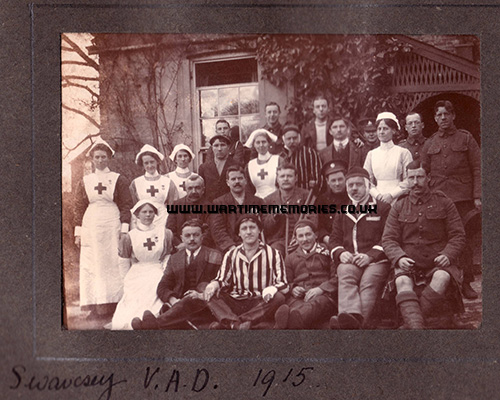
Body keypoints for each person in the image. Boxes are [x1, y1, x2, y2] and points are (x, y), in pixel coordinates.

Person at [382, 162, 466, 329]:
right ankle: (417, 327)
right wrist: (399, 258)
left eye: (419, 177)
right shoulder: (399, 205)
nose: (415, 182)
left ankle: (411, 325)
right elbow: (388, 239)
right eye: (411, 177)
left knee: (442, 278)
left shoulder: (444, 202)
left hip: (438, 261)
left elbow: (458, 235)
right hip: (409, 261)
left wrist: (447, 255)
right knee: (402, 281)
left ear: (428, 178)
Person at [421, 100, 481, 299]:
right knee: (442, 240)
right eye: (439, 115)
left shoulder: (465, 138)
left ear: (453, 116)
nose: (443, 118)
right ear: (435, 118)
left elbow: (478, 168)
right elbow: (423, 171)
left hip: (462, 199)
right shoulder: (430, 142)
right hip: (439, 198)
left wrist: (477, 195)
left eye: (446, 114)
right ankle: (449, 282)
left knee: (462, 240)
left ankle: (467, 282)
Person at [74, 138, 133, 319]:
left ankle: (117, 304)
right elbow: (78, 207)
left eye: (103, 157)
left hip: (111, 222)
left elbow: (125, 204)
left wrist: (124, 230)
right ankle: (95, 306)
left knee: (114, 263)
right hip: (91, 223)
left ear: (109, 158)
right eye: (97, 157)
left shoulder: (118, 179)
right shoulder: (85, 181)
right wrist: (78, 233)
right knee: (93, 263)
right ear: (92, 159)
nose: (100, 160)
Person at [329, 167, 391, 329]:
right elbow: (334, 239)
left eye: (358, 184)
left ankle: (357, 325)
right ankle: (351, 318)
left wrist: (370, 256)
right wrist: (341, 253)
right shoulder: (343, 210)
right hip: (351, 259)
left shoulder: (383, 208)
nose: (354, 188)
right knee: (344, 272)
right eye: (350, 185)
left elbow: (389, 238)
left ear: (368, 186)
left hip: (376, 261)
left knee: (368, 282)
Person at [131, 219, 222, 330]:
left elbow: (220, 282)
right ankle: (154, 325)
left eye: (196, 235)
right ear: (182, 238)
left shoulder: (215, 256)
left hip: (204, 304)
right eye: (187, 236)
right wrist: (172, 299)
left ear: (202, 237)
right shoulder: (175, 258)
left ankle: (154, 324)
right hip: (179, 305)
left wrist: (201, 294)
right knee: (184, 304)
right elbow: (163, 286)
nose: (192, 239)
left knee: (190, 299)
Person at [203, 214, 288, 330]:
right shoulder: (231, 254)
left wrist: (271, 289)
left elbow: (283, 282)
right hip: (236, 300)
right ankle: (245, 324)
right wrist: (213, 285)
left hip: (259, 301)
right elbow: (222, 279)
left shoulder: (273, 254)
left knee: (279, 298)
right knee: (211, 295)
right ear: (239, 233)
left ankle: (232, 322)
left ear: (259, 230)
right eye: (244, 228)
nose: (248, 232)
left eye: (252, 227)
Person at [111, 200, 174, 330]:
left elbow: (167, 255)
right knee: (134, 292)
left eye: (151, 212)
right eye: (144, 212)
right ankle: (136, 321)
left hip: (158, 268)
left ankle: (151, 319)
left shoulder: (165, 233)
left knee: (157, 285)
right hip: (137, 270)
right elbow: (123, 260)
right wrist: (126, 278)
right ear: (137, 215)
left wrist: (165, 271)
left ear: (155, 214)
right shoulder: (130, 236)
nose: (148, 215)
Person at [274, 220, 337, 329]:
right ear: (296, 239)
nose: (305, 239)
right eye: (301, 236)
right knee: (295, 308)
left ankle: (282, 326)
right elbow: (287, 281)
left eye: (308, 234)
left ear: (315, 235)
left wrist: (321, 289)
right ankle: (294, 321)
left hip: (323, 297)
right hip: (300, 299)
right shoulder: (290, 258)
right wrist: (293, 288)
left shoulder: (327, 252)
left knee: (310, 307)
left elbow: (336, 277)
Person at [263, 163, 315, 255]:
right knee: (274, 254)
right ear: (277, 179)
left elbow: (313, 220)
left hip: (303, 238)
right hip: (278, 241)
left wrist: (299, 236)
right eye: (282, 176)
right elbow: (265, 227)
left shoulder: (307, 196)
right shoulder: (268, 200)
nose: (286, 179)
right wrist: (274, 215)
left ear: (296, 178)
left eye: (289, 176)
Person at [210, 166, 264, 254]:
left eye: (240, 178)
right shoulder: (218, 203)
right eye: (233, 179)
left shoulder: (258, 201)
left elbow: (262, 227)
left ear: (245, 181)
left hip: (253, 247)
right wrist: (232, 248)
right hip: (230, 248)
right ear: (228, 182)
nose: (237, 182)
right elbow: (217, 230)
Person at [363, 112, 413, 204]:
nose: (381, 132)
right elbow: (366, 180)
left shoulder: (403, 152)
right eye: (379, 129)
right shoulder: (371, 154)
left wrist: (392, 195)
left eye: (385, 128)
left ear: (393, 130)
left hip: (399, 198)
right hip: (376, 199)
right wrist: (378, 196)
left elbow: (409, 179)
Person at [129, 144, 178, 228]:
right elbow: (134, 206)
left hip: (163, 220)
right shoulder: (136, 183)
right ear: (142, 164)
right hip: (143, 222)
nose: (149, 166)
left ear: (157, 161)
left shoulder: (167, 182)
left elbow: (173, 205)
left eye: (152, 162)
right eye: (146, 163)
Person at [166, 174, 212, 250]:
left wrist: (195, 244)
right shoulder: (176, 205)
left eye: (197, 188)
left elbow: (210, 230)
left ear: (203, 190)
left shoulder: (209, 206)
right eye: (190, 188)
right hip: (180, 247)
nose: (193, 191)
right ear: (185, 189)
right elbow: (170, 229)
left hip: (203, 247)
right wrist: (181, 244)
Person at [314, 160, 349, 246]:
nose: (337, 184)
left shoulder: (352, 198)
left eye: (340, 179)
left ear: (346, 178)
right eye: (333, 180)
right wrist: (327, 239)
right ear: (327, 181)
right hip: (328, 242)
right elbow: (318, 226)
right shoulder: (322, 200)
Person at [279, 124, 323, 192]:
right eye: (289, 139)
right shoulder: (280, 155)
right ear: (284, 139)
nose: (292, 141)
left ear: (299, 138)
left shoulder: (309, 153)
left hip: (307, 195)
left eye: (294, 138)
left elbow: (318, 176)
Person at [244, 129, 282, 199]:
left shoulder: (278, 160)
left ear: (269, 143)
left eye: (264, 142)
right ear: (254, 145)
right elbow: (248, 189)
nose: (261, 145)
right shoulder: (250, 165)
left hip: (277, 201)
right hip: (257, 203)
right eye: (258, 142)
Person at [198, 134, 236, 202]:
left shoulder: (236, 166)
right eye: (216, 145)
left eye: (223, 145)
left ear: (228, 147)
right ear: (212, 148)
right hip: (210, 207)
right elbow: (201, 190)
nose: (219, 149)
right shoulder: (203, 168)